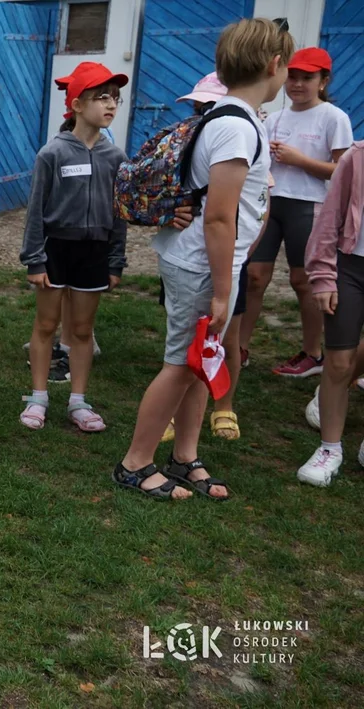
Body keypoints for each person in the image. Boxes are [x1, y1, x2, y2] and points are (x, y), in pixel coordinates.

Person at [113, 17, 292, 501]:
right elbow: (218, 217)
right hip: (202, 266)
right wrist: (220, 289)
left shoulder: (233, 117)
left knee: (199, 362)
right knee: (179, 364)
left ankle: (185, 456)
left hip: (206, 262)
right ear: (275, 65)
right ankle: (135, 462)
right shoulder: (236, 126)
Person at [18, 62, 129, 433]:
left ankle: (78, 402)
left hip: (94, 254)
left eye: (115, 98)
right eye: (102, 97)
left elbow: (120, 214)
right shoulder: (52, 154)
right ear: (77, 105)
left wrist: (115, 261)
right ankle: (38, 397)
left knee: (82, 330)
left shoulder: (116, 159)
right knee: (47, 324)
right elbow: (35, 211)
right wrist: (35, 259)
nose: (111, 105)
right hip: (55, 251)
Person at [160, 71, 262, 443]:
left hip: (223, 256)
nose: (202, 113)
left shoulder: (243, 130)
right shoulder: (219, 130)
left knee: (223, 342)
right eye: (199, 106)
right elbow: (187, 198)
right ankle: (159, 438)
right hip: (201, 257)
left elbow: (257, 206)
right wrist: (171, 211)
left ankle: (223, 407)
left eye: (208, 105)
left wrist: (240, 253)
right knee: (188, 351)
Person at [240, 47, 353, 377]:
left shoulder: (334, 117)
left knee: (304, 281)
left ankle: (312, 353)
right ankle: (240, 346)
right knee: (255, 277)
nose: (298, 84)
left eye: (308, 78)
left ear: (323, 81)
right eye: (293, 77)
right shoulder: (274, 118)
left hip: (310, 205)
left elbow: (342, 170)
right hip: (272, 202)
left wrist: (298, 159)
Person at [298, 140, 364, 486]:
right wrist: (323, 278)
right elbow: (328, 220)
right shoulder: (356, 157)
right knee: (338, 362)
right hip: (350, 268)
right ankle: (330, 449)